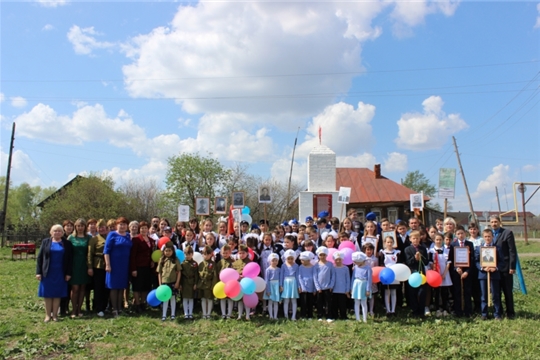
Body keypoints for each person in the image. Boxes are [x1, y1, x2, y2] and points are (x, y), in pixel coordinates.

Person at [36, 224, 73, 322]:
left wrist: (68, 273)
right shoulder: (45, 242)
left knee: (57, 294)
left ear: (62, 233)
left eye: (59, 231)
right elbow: (40, 258)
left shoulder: (67, 243)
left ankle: (55, 315)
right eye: (55, 231)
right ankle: (48, 315)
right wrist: (38, 272)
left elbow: (70, 260)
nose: (57, 233)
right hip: (47, 272)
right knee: (47, 294)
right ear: (51, 232)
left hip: (60, 272)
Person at [104, 217, 133, 318]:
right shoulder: (112, 234)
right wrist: (107, 264)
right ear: (117, 225)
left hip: (124, 265)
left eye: (124, 224)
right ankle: (114, 309)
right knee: (113, 287)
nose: (122, 226)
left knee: (121, 287)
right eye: (120, 224)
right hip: (113, 264)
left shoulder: (128, 236)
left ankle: (120, 308)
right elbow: (106, 251)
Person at [490, 215, 517, 319]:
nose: (494, 224)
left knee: (507, 291)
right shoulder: (489, 234)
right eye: (492, 222)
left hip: (506, 267)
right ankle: (499, 312)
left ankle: (510, 312)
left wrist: (512, 266)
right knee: (496, 292)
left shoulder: (507, 233)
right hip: (493, 268)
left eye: (495, 221)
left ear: (499, 222)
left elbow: (512, 250)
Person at [476, 229, 504, 320]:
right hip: (483, 275)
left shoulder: (497, 248)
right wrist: (482, 268)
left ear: (492, 237)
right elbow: (476, 261)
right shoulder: (479, 248)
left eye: (489, 236)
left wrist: (495, 268)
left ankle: (497, 314)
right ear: (483, 237)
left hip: (494, 274)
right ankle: (484, 314)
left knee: (495, 295)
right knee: (484, 295)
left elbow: (502, 262)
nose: (487, 238)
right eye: (485, 236)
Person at [448, 228, 474, 317]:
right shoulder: (453, 245)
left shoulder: (469, 244)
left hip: (467, 273)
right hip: (457, 273)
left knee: (467, 291)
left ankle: (468, 311)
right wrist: (456, 268)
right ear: (455, 234)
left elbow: (472, 259)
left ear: (465, 234)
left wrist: (467, 271)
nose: (460, 235)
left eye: (462, 233)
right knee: (457, 291)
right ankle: (458, 311)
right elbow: (450, 259)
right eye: (458, 233)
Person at [130, 221, 155, 313]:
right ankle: (137, 304)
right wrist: (133, 269)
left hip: (147, 267)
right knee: (137, 287)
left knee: (145, 286)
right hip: (138, 267)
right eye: (142, 228)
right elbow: (133, 255)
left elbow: (152, 253)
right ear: (139, 229)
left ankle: (142, 303)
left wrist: (152, 261)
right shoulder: (136, 240)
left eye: (145, 228)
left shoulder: (151, 240)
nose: (144, 230)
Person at [68, 218, 91, 318]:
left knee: (82, 288)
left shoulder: (88, 237)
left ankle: (79, 309)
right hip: (74, 264)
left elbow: (90, 252)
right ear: (75, 227)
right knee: (75, 288)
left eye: (82, 226)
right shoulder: (71, 237)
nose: (80, 228)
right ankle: (73, 309)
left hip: (84, 264)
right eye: (78, 226)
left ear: (85, 227)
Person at [87, 219, 109, 317]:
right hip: (98, 265)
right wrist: (90, 267)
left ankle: (105, 306)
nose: (102, 229)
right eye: (100, 227)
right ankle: (98, 308)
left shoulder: (109, 237)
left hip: (109, 265)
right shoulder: (94, 239)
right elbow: (89, 254)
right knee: (98, 287)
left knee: (107, 287)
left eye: (103, 227)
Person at [404, 230, 429, 318]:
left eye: (417, 238)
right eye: (414, 238)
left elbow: (426, 262)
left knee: (422, 292)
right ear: (410, 239)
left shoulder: (423, 249)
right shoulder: (407, 249)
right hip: (412, 274)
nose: (416, 240)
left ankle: (421, 311)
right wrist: (415, 258)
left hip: (421, 273)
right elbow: (408, 262)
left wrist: (421, 258)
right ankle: (414, 311)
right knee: (412, 293)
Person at [428, 233, 452, 317]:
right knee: (437, 293)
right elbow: (430, 263)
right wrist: (436, 274)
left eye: (440, 240)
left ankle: (445, 309)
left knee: (445, 292)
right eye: (437, 240)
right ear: (434, 240)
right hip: (435, 275)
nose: (438, 241)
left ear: (443, 240)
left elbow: (448, 263)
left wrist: (444, 274)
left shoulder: (447, 250)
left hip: (444, 273)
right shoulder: (431, 251)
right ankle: (438, 309)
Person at [157, 242, 181, 321]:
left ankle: (173, 314)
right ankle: (164, 315)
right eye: (166, 251)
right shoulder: (162, 259)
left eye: (169, 251)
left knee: (173, 298)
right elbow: (159, 272)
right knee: (165, 299)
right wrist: (160, 284)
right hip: (164, 283)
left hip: (173, 282)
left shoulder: (175, 259)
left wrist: (177, 282)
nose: (167, 252)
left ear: (173, 251)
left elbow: (179, 271)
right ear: (163, 251)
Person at [378, 237, 401, 317]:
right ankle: (388, 310)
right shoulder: (382, 253)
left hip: (394, 274)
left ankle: (393, 310)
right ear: (385, 243)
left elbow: (398, 263)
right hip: (386, 274)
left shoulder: (397, 252)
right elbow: (381, 264)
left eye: (391, 242)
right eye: (388, 242)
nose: (390, 244)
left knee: (393, 292)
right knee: (387, 293)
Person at [314, 246, 335, 322]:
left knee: (328, 302)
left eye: (324, 255)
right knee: (319, 302)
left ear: (326, 255)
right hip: (319, 288)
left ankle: (328, 315)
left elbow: (333, 275)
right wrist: (317, 287)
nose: (322, 256)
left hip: (328, 287)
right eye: (321, 255)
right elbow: (315, 277)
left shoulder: (330, 264)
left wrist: (331, 285)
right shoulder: (316, 265)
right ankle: (320, 315)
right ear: (318, 256)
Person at [350, 252, 372, 323]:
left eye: (357, 262)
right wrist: (352, 288)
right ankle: (357, 318)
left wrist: (368, 289)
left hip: (364, 285)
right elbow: (353, 278)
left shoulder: (368, 268)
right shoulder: (355, 268)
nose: (355, 263)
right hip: (356, 285)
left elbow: (369, 279)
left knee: (364, 302)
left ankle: (365, 318)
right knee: (356, 302)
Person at [198, 246, 218, 319]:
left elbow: (215, 276)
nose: (205, 256)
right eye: (204, 254)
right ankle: (204, 313)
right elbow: (198, 274)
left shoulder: (213, 264)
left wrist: (213, 286)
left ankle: (208, 313)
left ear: (210, 255)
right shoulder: (201, 264)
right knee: (203, 299)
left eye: (207, 254)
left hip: (209, 284)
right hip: (201, 284)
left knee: (209, 299)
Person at [233, 245, 252, 320]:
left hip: (247, 283)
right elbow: (232, 272)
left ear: (247, 253)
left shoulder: (250, 262)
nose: (241, 255)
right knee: (240, 300)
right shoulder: (235, 263)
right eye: (240, 253)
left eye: (243, 253)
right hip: (238, 283)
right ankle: (239, 315)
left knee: (246, 299)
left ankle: (247, 315)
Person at [280, 249, 300, 320]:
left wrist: (298, 286)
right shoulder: (283, 265)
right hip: (286, 283)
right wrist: (281, 285)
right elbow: (281, 276)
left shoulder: (296, 266)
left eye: (292, 258)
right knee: (286, 300)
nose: (290, 260)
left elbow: (298, 276)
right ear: (286, 258)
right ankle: (286, 315)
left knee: (293, 300)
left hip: (293, 283)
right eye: (288, 258)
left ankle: (293, 316)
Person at [180, 246, 199, 320]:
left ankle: (190, 313)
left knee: (191, 298)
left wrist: (195, 283)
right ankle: (186, 313)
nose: (187, 256)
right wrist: (180, 284)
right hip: (184, 282)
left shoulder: (194, 263)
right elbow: (180, 275)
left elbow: (196, 274)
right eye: (186, 254)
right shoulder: (183, 263)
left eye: (189, 254)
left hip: (191, 282)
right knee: (185, 298)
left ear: (192, 254)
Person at [217, 245, 234, 319]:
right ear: (221, 253)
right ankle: (223, 313)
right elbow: (217, 272)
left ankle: (229, 313)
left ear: (230, 253)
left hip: (230, 283)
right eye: (223, 253)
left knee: (230, 298)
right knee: (222, 298)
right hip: (222, 283)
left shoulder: (233, 262)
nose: (225, 254)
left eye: (227, 253)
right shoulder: (220, 262)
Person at [332, 251, 351, 320]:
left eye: (340, 259)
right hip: (334, 289)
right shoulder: (333, 268)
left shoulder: (345, 268)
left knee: (342, 304)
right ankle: (335, 315)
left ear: (342, 260)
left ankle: (343, 316)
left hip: (343, 290)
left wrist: (347, 289)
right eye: (336, 259)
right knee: (335, 304)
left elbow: (348, 279)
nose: (338, 261)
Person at [298, 251, 316, 319]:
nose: (302, 261)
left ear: (308, 260)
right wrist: (301, 287)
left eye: (303, 260)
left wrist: (314, 289)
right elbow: (300, 277)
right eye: (301, 260)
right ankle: (303, 315)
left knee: (310, 302)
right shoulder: (301, 267)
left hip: (311, 287)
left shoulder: (313, 267)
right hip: (303, 288)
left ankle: (310, 315)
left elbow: (314, 277)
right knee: (303, 302)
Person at [264, 253, 282, 320]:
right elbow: (267, 280)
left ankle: (275, 316)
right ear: (270, 261)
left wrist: (280, 286)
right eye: (273, 260)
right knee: (270, 301)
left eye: (276, 260)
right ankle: (271, 315)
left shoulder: (279, 269)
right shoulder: (268, 270)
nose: (274, 262)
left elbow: (280, 278)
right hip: (270, 285)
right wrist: (268, 290)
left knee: (276, 301)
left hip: (276, 286)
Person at [363, 243, 378, 316]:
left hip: (372, 280)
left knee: (372, 295)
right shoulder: (362, 258)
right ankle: (364, 309)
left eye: (371, 250)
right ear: (365, 250)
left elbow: (376, 269)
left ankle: (371, 310)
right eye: (367, 250)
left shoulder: (375, 259)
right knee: (364, 295)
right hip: (364, 279)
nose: (369, 251)